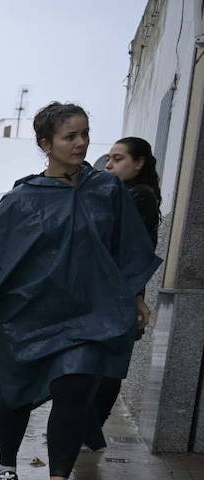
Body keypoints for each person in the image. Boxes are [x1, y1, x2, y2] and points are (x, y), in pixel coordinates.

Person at [0, 103, 160, 480]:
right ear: (46, 144)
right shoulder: (24, 198)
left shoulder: (108, 191)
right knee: (15, 391)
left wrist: (137, 294)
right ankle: (7, 465)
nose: (81, 143)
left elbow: (127, 247)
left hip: (91, 312)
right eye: (70, 136)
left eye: (85, 134)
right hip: (27, 313)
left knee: (75, 388)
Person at [87, 137, 162, 448]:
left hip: (116, 295)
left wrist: (135, 297)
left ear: (139, 163)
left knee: (106, 369)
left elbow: (132, 253)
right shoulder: (122, 194)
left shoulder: (138, 197)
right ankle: (87, 431)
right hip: (111, 293)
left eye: (118, 159)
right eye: (109, 159)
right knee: (99, 367)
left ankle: (89, 431)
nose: (109, 165)